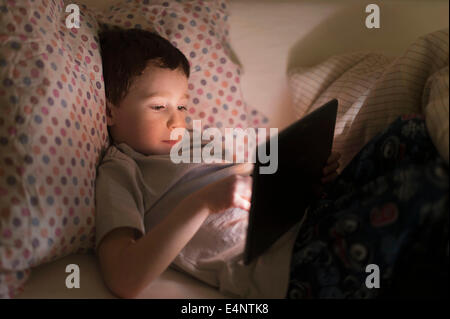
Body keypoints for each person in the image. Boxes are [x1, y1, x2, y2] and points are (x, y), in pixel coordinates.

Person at [95, 27, 341, 299]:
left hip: (312, 218)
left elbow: (256, 194)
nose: (176, 121)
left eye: (181, 107)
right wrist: (205, 201)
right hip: (289, 265)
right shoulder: (121, 169)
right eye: (158, 107)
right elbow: (123, 278)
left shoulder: (199, 141)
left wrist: (306, 180)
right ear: (109, 111)